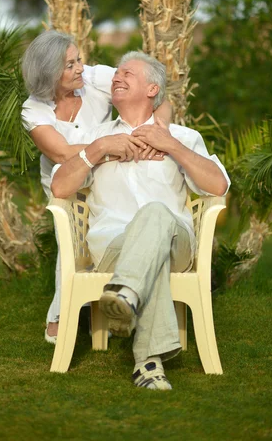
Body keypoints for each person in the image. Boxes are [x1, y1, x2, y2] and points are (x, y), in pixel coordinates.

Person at [51, 51, 230, 391]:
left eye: (127, 73)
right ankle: (146, 358)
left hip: (175, 240)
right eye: (116, 73)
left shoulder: (181, 136)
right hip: (114, 248)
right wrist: (99, 148)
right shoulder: (97, 138)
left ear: (152, 89)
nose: (117, 77)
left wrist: (172, 147)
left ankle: (127, 295)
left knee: (155, 213)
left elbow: (218, 184)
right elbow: (60, 186)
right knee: (152, 253)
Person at [21, 31, 172, 343]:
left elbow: (157, 97)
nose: (80, 68)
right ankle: (63, 314)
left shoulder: (93, 78)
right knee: (71, 244)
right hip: (66, 180)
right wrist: (105, 145)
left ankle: (106, 307)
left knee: (114, 226)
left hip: (108, 172)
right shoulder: (33, 109)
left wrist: (161, 129)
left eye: (79, 60)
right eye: (70, 65)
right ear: (50, 74)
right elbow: (61, 153)